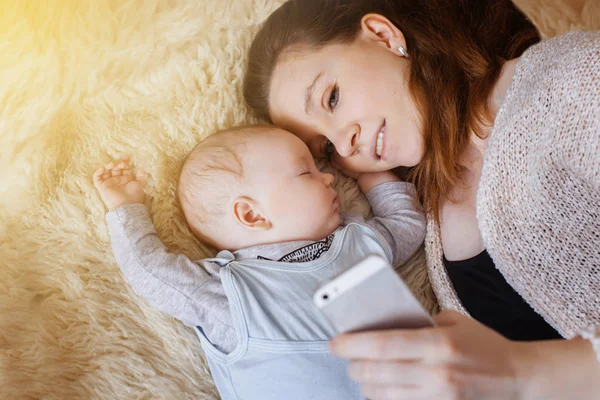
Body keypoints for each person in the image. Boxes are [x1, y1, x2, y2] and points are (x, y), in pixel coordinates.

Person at [243, 0, 600, 398]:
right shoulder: (429, 222)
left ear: (383, 36)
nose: (344, 141)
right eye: (325, 147)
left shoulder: (576, 77)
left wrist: (523, 375)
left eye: (332, 98)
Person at [92, 125, 426, 400]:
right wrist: (126, 208)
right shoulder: (229, 293)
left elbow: (406, 222)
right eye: (305, 171)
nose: (329, 178)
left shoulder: (358, 241)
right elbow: (153, 272)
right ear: (252, 214)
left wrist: (371, 174)